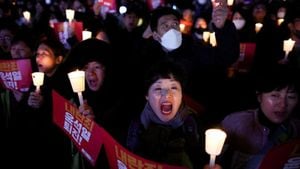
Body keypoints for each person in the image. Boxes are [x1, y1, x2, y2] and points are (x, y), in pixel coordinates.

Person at [137, 2, 239, 125]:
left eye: (175, 24)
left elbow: (226, 57)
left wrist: (223, 28)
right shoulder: (147, 56)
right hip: (156, 119)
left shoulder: (194, 49)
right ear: (156, 35)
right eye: (165, 26)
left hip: (193, 117)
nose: (172, 29)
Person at [126, 61, 221, 169]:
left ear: (181, 95)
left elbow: (202, 160)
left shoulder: (195, 125)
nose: (167, 95)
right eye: (158, 88)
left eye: (174, 88)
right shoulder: (133, 121)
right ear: (147, 95)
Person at [220, 64, 300, 169]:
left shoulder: (296, 128)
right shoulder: (236, 123)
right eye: (275, 95)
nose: (283, 104)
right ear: (259, 96)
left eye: (291, 97)